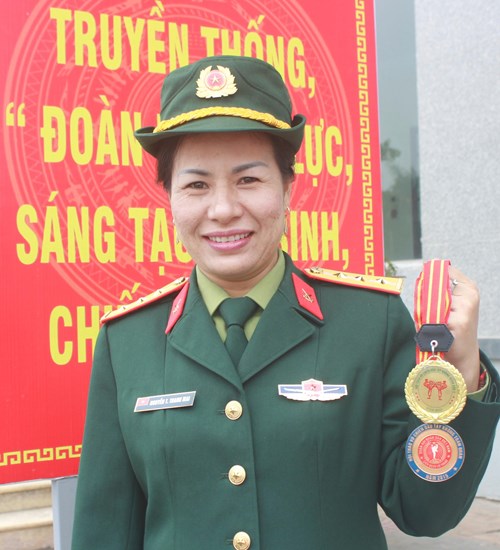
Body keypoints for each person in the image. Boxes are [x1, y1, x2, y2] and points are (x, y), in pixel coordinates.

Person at [71, 55, 500, 549]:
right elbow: (104, 530)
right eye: (196, 185)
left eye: (249, 180)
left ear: (287, 188)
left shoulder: (369, 321)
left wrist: (462, 375)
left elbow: (424, 511)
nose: (223, 209)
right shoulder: (127, 341)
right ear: (169, 197)